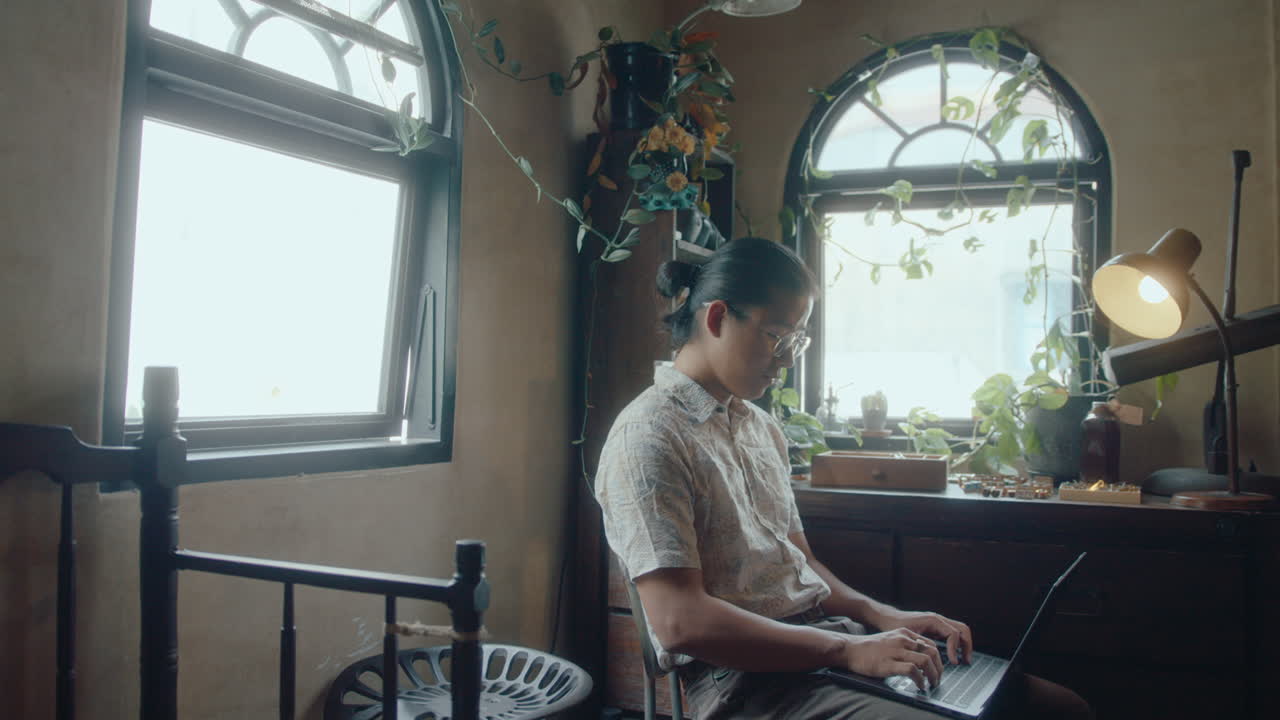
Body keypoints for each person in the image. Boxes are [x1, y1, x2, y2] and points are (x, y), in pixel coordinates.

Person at [594, 237, 1092, 720]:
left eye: (797, 340)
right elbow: (680, 623)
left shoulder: (759, 428)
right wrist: (847, 650)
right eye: (777, 337)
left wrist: (879, 616)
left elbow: (802, 564)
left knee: (1060, 708)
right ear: (718, 318)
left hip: (824, 644)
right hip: (744, 683)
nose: (788, 359)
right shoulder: (649, 436)